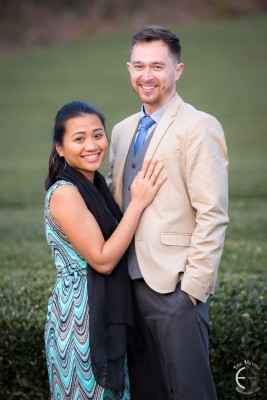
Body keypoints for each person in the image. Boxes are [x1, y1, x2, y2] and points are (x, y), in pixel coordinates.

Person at [106, 25, 229, 400]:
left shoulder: (199, 126)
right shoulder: (122, 130)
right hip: (126, 288)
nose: (147, 76)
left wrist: (191, 290)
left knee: (193, 393)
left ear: (177, 70)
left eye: (157, 66)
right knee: (147, 392)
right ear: (129, 69)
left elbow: (213, 213)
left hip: (175, 289)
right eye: (139, 66)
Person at [44, 100, 166, 400]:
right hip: (80, 322)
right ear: (60, 147)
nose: (92, 145)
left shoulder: (97, 188)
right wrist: (137, 203)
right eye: (79, 138)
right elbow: (102, 260)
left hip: (101, 310)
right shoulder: (66, 193)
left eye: (98, 135)